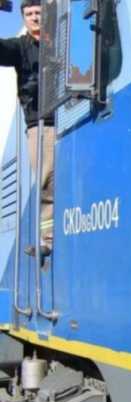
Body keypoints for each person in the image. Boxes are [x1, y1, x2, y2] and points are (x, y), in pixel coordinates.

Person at [0, 0, 54, 256]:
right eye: (29, 14)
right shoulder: (20, 47)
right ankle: (50, 240)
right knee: (47, 181)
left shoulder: (62, 40)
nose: (34, 18)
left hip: (72, 116)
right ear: (23, 18)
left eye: (38, 13)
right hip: (41, 125)